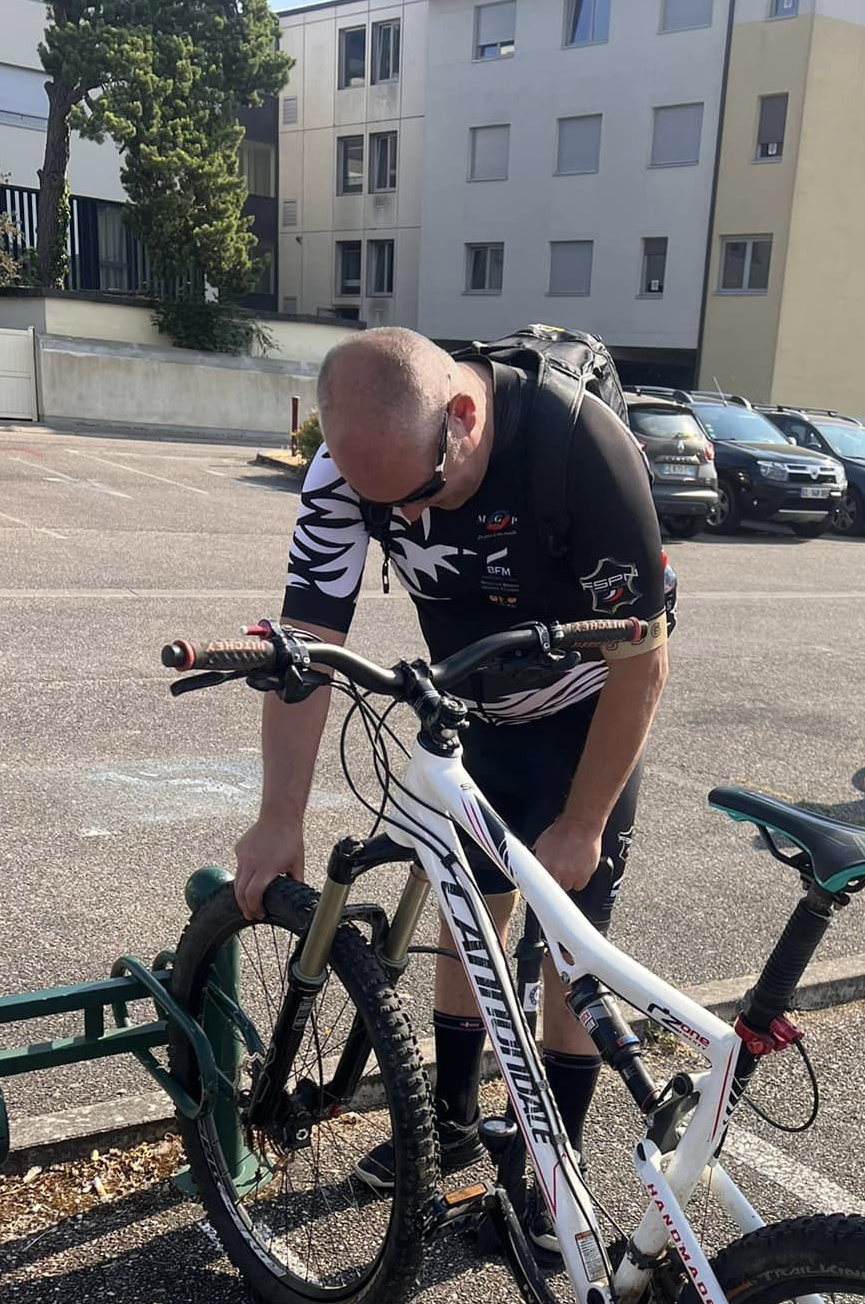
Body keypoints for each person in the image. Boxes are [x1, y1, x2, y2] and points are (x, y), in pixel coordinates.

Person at [233, 326, 671, 1247]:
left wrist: (583, 821)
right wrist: (278, 817)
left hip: (586, 712)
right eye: (387, 506)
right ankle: (453, 1122)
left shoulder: (579, 447)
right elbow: (307, 648)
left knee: (569, 945)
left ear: (464, 417)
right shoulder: (351, 467)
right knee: (467, 912)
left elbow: (643, 662)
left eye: (423, 491)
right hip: (474, 706)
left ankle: (556, 1169)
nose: (410, 520)